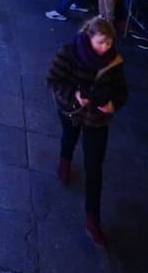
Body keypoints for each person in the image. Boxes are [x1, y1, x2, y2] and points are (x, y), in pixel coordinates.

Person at [47, 17, 128, 246]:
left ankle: (93, 218)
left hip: (97, 119)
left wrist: (113, 104)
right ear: (89, 37)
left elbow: (122, 91)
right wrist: (74, 96)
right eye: (101, 42)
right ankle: (65, 159)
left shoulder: (114, 62)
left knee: (94, 166)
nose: (106, 48)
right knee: (69, 138)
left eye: (109, 43)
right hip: (71, 112)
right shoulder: (69, 52)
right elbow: (53, 80)